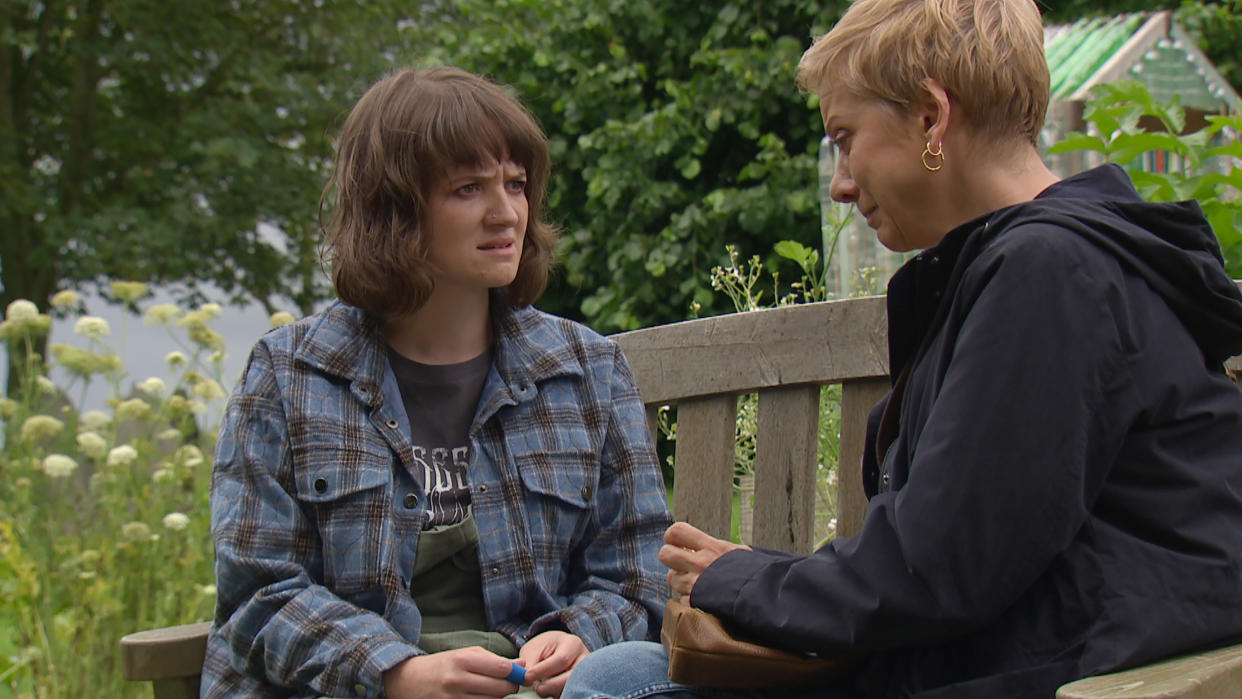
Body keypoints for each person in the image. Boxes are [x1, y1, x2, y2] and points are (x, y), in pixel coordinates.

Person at [562, 1, 1242, 697]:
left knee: (612, 686)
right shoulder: (1045, 265)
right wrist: (758, 572)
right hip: (1031, 649)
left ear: (930, 118)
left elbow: (944, 567)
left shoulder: (1050, 273)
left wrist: (744, 579)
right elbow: (971, 540)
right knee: (618, 671)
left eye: (846, 137)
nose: (841, 182)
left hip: (1057, 671)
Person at [201, 66, 672, 699]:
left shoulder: (586, 371)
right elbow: (257, 592)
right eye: (468, 188)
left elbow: (638, 574)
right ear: (393, 211)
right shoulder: (291, 376)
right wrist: (392, 672)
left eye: (515, 184)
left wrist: (582, 636)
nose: (505, 213)